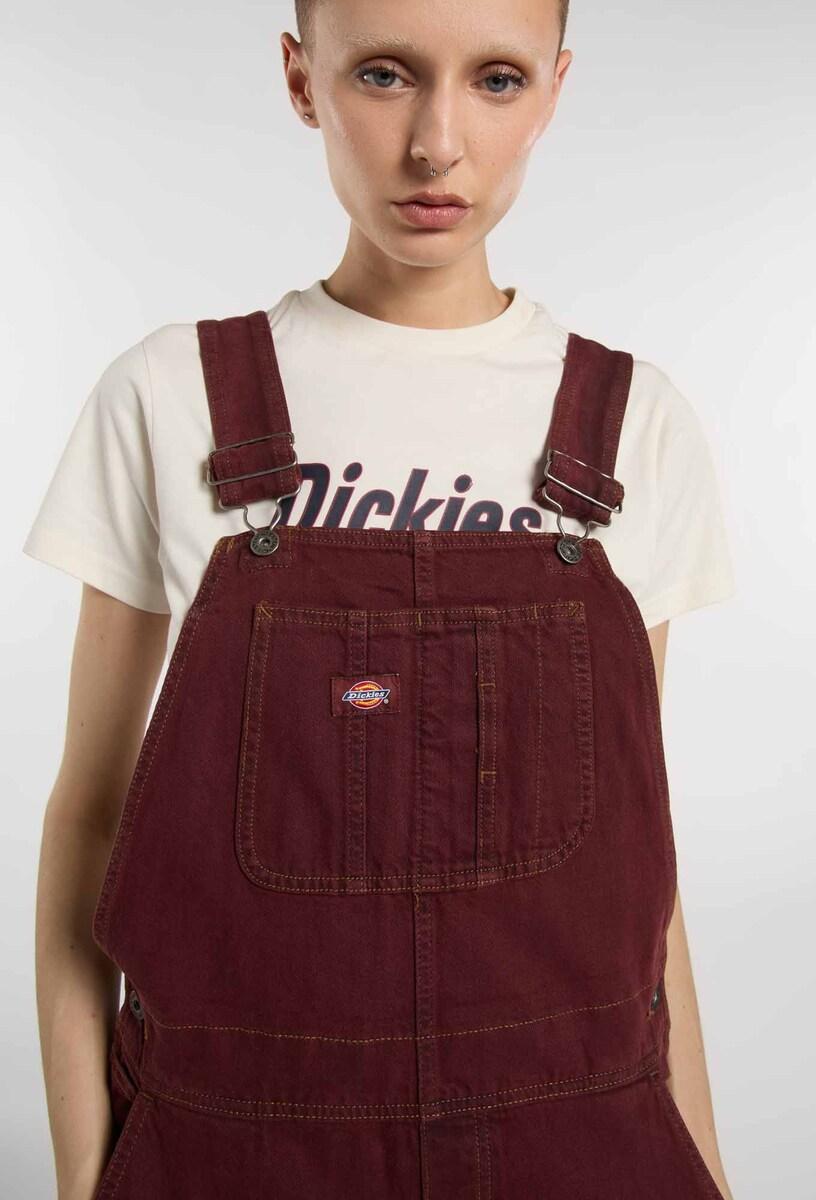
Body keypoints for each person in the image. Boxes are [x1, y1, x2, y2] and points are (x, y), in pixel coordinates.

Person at [24, 2, 738, 1197]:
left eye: (497, 79)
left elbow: (641, 868)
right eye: (386, 75)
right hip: (236, 1147)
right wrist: (85, 1173)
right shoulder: (169, 396)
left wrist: (705, 1167)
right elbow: (88, 817)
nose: (436, 143)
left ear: (554, 91)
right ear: (302, 80)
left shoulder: (635, 425)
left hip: (580, 1136)